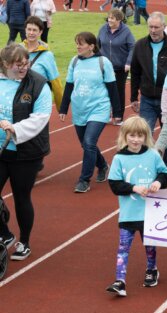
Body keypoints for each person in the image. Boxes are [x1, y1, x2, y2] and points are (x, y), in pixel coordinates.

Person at [106, 116, 167, 297]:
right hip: (128, 214)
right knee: (123, 247)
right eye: (132, 136)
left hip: (149, 212)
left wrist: (159, 182)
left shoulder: (152, 154)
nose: (136, 140)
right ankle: (120, 280)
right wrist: (133, 188)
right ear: (124, 136)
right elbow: (114, 185)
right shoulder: (119, 158)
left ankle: (152, 269)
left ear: (146, 137)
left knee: (149, 245)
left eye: (140, 136)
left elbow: (165, 174)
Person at [0, 43, 52, 261]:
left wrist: (16, 129)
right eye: (17, 65)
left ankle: (24, 241)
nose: (23, 68)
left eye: (26, 63)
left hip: (27, 152)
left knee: (22, 196)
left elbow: (41, 117)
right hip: (1, 149)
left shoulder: (38, 84)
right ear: (5, 65)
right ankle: (6, 234)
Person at [59, 32, 121, 193]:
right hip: (79, 109)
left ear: (91, 46)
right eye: (76, 43)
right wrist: (63, 108)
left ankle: (84, 180)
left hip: (99, 108)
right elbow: (69, 86)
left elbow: (112, 88)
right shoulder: (74, 62)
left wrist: (117, 112)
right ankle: (102, 165)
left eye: (81, 44)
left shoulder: (103, 62)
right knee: (86, 144)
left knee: (89, 142)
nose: (77, 46)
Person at [130, 12, 167, 170]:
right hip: (147, 98)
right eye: (150, 27)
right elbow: (135, 71)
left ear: (164, 27)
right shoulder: (140, 45)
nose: (153, 30)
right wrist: (134, 96)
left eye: (156, 27)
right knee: (143, 133)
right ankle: (145, 164)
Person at [97, 8, 135, 124]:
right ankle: (105, 114)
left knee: (118, 91)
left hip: (120, 67)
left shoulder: (126, 31)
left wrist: (128, 62)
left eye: (112, 18)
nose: (109, 20)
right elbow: (97, 45)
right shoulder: (103, 29)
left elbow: (132, 47)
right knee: (103, 91)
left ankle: (118, 116)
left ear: (119, 19)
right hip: (104, 67)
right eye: (109, 17)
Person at [22, 16, 63, 112]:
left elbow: (56, 83)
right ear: (25, 30)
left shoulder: (47, 55)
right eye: (29, 29)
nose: (31, 33)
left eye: (35, 30)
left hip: (39, 102)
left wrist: (61, 107)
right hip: (20, 102)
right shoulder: (17, 50)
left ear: (40, 32)